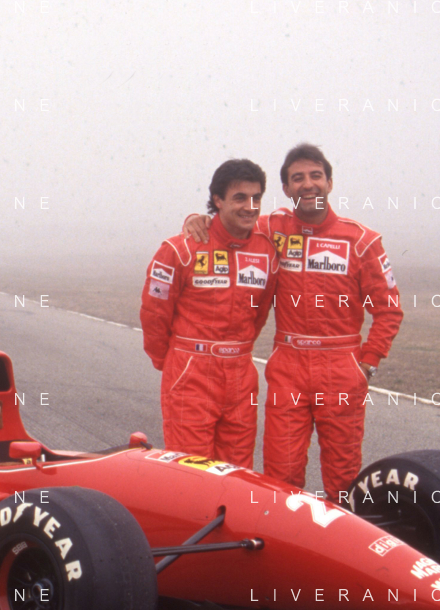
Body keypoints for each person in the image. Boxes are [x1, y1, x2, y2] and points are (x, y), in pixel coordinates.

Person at [182, 144, 402, 500]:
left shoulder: (362, 241)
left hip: (342, 367)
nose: (308, 184)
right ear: (286, 189)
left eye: (316, 175)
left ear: (330, 182)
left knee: (343, 477)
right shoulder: (272, 228)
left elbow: (389, 309)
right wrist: (199, 218)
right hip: (289, 365)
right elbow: (231, 222)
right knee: (280, 476)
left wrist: (368, 363)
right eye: (297, 178)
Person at [140, 159, 279, 467]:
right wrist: (172, 361)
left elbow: (259, 313)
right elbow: (154, 314)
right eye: (240, 198)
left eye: (256, 198)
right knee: (193, 471)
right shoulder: (179, 249)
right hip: (190, 370)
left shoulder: (266, 250)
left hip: (241, 372)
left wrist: (237, 349)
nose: (250, 206)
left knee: (237, 471)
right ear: (218, 200)